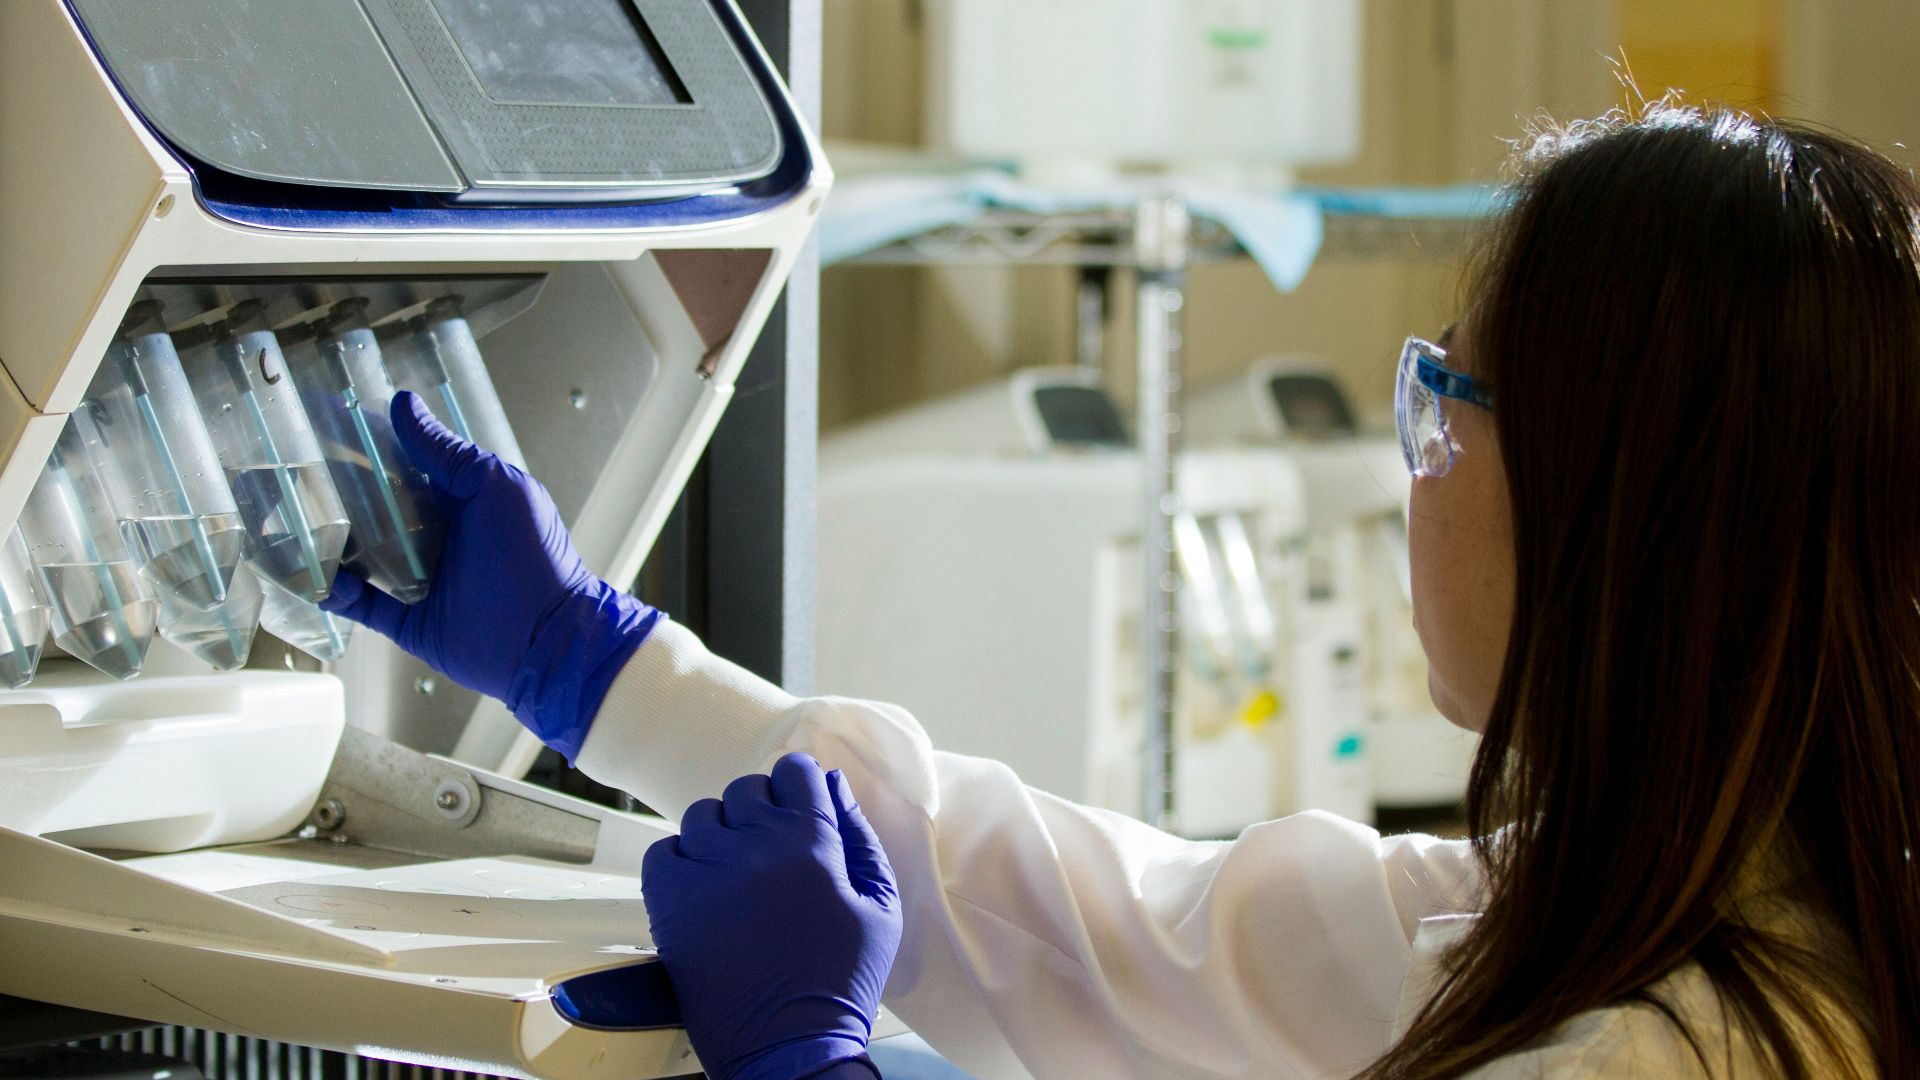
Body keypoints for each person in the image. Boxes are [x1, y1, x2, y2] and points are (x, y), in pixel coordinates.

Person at [325, 101, 1920, 1079]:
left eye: (1446, 404)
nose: (1412, 460)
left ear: (1615, 512)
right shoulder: (1631, 921)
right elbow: (1102, 933)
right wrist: (603, 669)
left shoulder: (1645, 1055)